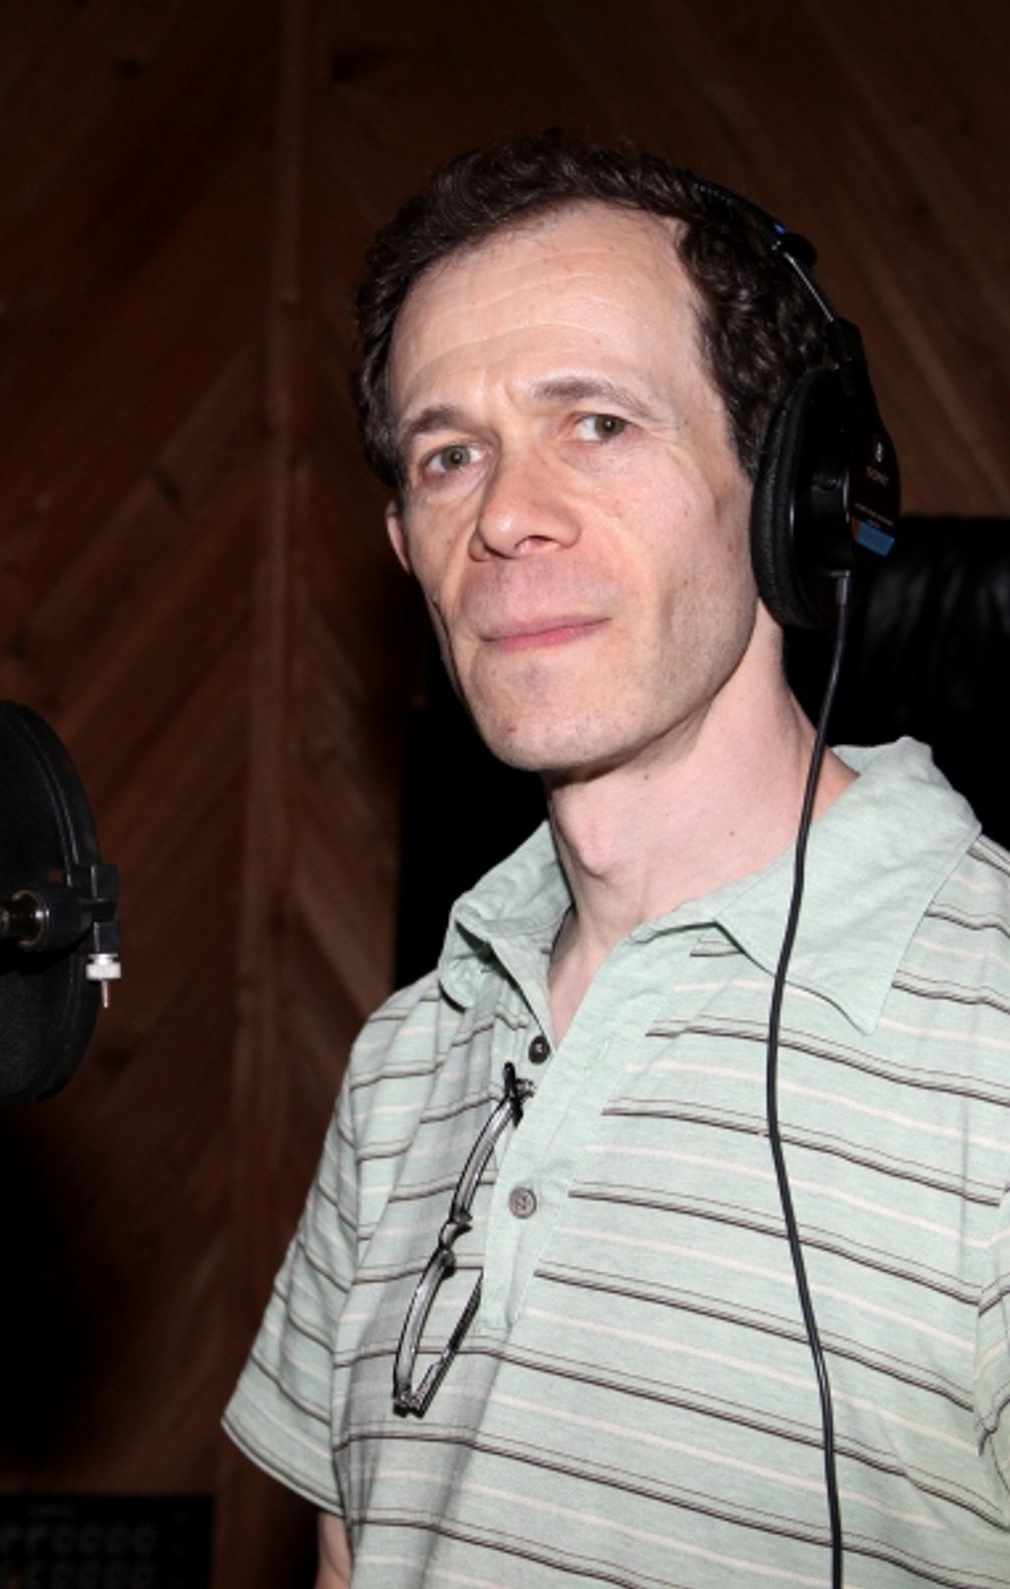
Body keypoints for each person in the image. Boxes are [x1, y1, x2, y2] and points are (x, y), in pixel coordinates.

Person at [223, 133, 1010, 1587]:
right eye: (449, 452)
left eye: (595, 422)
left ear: (795, 488)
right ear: (401, 536)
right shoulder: (409, 1058)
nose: (504, 515)